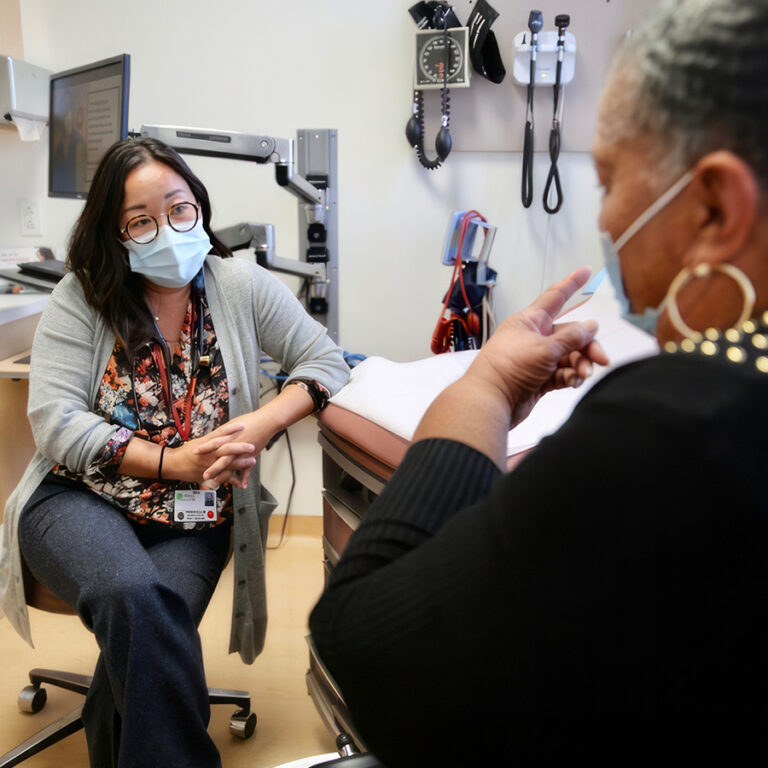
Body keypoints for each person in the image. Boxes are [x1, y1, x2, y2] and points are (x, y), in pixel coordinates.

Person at [310, 0, 768, 764]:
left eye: (612, 178)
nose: (609, 216)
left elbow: (365, 648)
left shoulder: (682, 430)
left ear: (716, 207)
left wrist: (484, 387)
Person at [0, 136, 349, 767]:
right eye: (141, 221)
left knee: (147, 639)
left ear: (200, 208)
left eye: (180, 209)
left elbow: (326, 361)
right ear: (116, 234)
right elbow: (55, 423)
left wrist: (261, 425)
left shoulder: (238, 285)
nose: (168, 230)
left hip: (195, 516)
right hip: (77, 499)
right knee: (139, 600)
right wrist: (171, 463)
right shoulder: (81, 298)